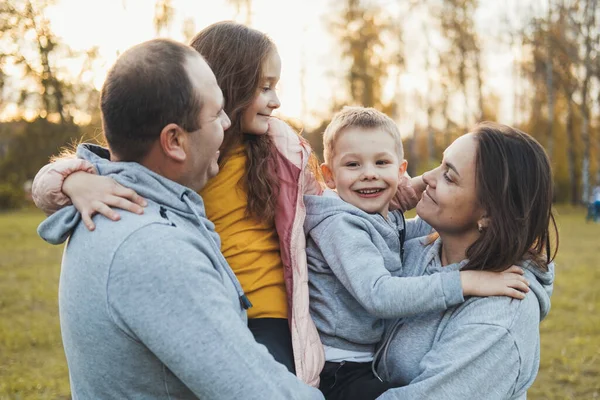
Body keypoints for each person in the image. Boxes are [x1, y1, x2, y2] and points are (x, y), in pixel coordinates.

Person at [31, 21, 420, 384]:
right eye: (264, 87)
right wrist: (76, 181)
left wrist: (392, 190)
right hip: (212, 295)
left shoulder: (281, 150)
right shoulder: (185, 154)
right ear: (230, 86)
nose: (276, 100)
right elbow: (103, 170)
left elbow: (322, 203)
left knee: (265, 380)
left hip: (270, 305)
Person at [36, 38, 323, 399]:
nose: (225, 122)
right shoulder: (153, 248)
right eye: (217, 113)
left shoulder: (121, 207)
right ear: (174, 141)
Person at [302, 107, 531, 400]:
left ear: (400, 169)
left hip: (359, 361)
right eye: (353, 165)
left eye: (381, 162)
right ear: (329, 176)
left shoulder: (380, 218)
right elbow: (380, 294)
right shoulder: (342, 225)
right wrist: (464, 281)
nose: (369, 174)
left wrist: (407, 183)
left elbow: (406, 233)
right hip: (339, 366)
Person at [374, 122, 557, 399]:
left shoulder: (498, 322)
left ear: (489, 215)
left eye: (449, 176)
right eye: (440, 164)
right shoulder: (417, 246)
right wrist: (382, 197)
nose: (427, 178)